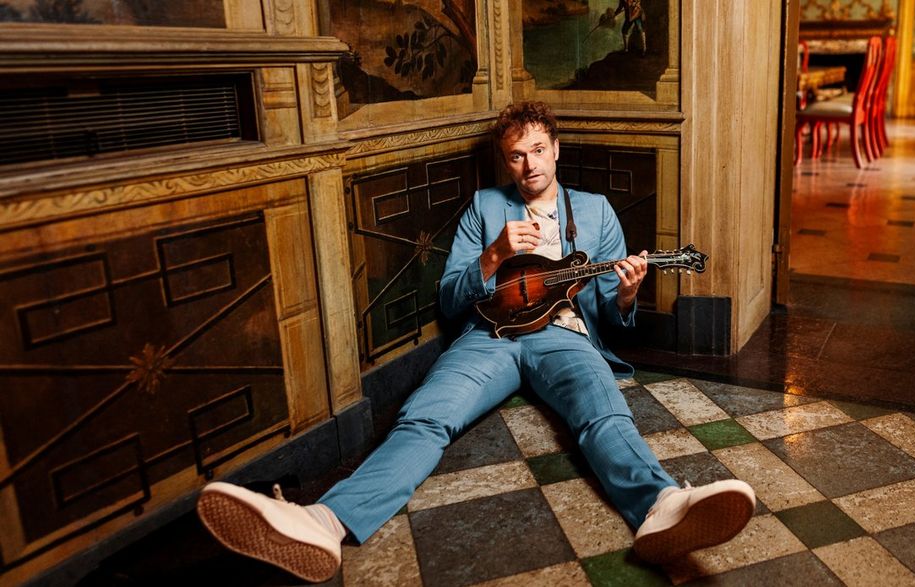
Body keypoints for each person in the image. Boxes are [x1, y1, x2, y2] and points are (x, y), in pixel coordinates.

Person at [195, 101, 755, 583]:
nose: (530, 165)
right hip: (491, 337)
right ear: (505, 160)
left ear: (556, 149)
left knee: (602, 413)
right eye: (517, 155)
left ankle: (662, 506)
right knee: (425, 418)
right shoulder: (486, 207)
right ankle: (323, 521)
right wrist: (494, 255)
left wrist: (628, 293)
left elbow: (611, 312)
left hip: (564, 335)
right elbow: (449, 298)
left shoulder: (595, 210)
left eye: (539, 150)